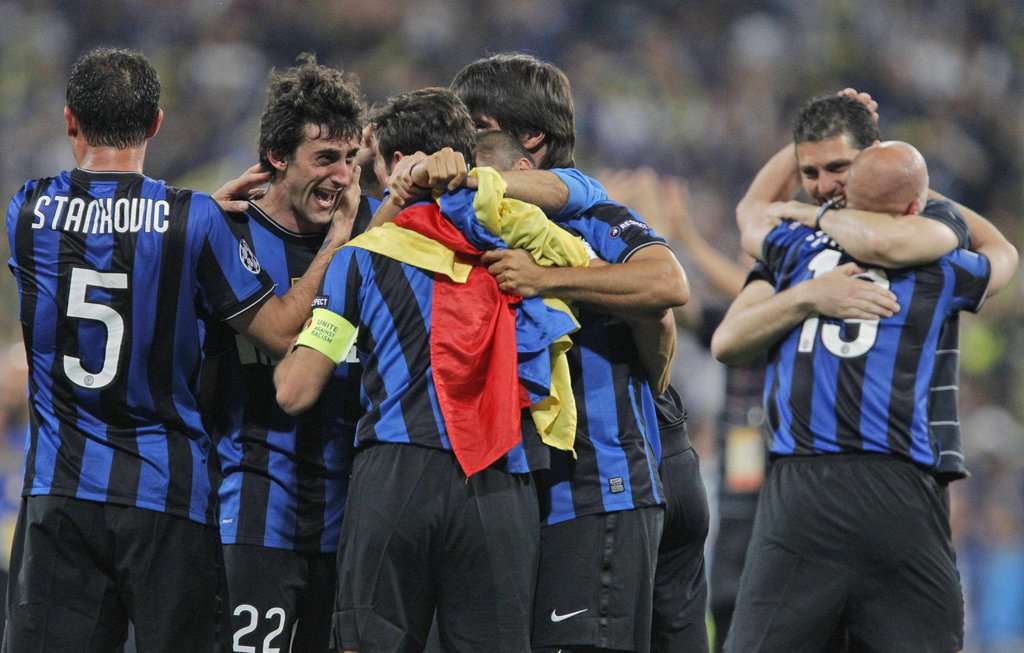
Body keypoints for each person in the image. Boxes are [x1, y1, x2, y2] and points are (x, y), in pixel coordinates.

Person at [2, 48, 351, 652]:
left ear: (70, 120)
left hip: (60, 493)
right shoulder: (191, 220)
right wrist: (336, 243)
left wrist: (196, 215)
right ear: (157, 123)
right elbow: (280, 331)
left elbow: (114, 245)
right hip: (167, 496)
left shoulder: (27, 210)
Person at [274, 87, 585, 653]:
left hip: (396, 478)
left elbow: (296, 391)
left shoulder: (361, 258)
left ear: (398, 165)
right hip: (500, 478)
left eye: (373, 165)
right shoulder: (522, 245)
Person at [713, 141, 999, 652]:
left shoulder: (797, 249)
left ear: (846, 195)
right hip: (901, 487)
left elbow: (750, 216)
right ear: (915, 207)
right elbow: (1002, 251)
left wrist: (803, 162)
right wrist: (923, 196)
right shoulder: (944, 267)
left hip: (802, 486)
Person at [451, 53, 692, 653]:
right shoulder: (473, 224)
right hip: (523, 500)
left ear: (529, 140)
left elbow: (667, 284)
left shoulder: (592, 215)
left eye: (475, 130)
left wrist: (547, 279)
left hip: (599, 489)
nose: (460, 148)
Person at [736, 91, 1018, 487]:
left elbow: (753, 211)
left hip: (876, 462)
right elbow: (1000, 251)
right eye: (810, 171)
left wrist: (814, 187)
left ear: (870, 158)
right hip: (851, 467)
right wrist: (828, 132)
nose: (824, 185)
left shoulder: (808, 239)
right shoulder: (933, 248)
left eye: (838, 166)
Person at [206, 53, 373, 653]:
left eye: (351, 159)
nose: (342, 177)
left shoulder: (379, 232)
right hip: (253, 509)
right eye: (325, 158)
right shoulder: (227, 232)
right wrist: (339, 244)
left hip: (352, 521)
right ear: (278, 156)